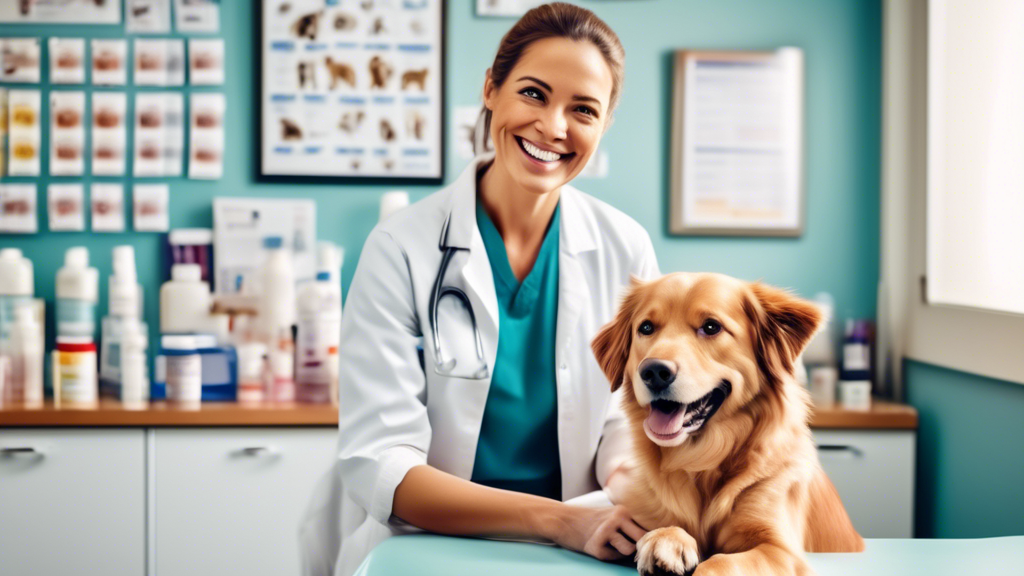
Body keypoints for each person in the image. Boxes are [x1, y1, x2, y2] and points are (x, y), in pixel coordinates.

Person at [299, 4, 659, 575]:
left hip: (587, 540)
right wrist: (561, 522)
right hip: (430, 542)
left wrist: (636, 489)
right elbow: (383, 464)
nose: (554, 127)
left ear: (604, 124)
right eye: (534, 94)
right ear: (491, 89)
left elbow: (626, 419)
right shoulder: (401, 247)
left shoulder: (625, 247)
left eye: (583, 110)